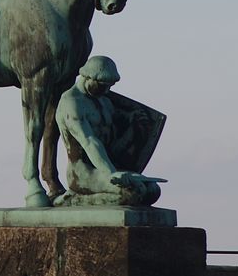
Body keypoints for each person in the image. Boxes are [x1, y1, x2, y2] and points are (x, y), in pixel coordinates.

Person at [56, 55, 160, 204]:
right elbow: (89, 141)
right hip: (83, 173)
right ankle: (74, 200)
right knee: (134, 193)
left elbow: (118, 125)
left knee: (152, 190)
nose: (107, 90)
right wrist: (110, 173)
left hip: (109, 167)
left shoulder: (104, 100)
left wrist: (134, 119)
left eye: (110, 86)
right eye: (103, 85)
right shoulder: (71, 103)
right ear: (88, 78)